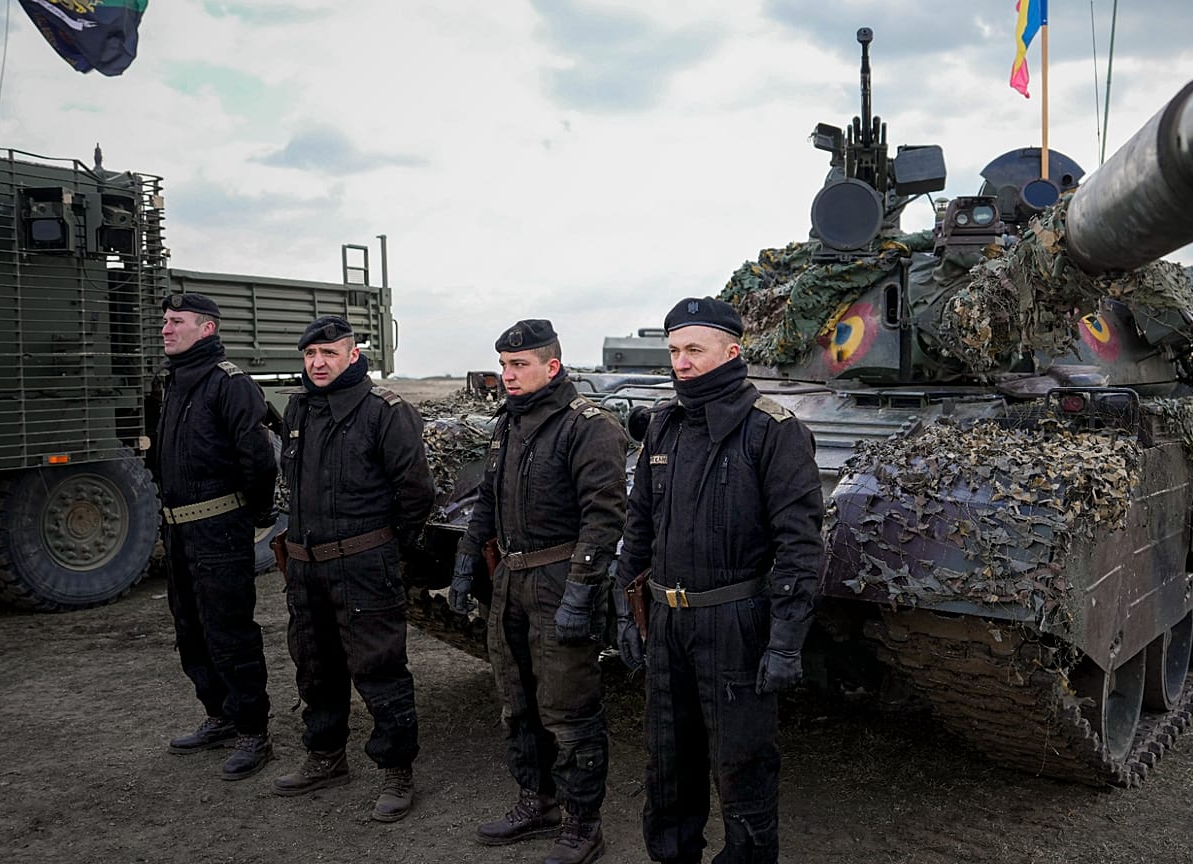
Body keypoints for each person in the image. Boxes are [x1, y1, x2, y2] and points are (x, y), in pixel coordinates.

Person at [615, 297, 823, 864]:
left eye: (694, 350)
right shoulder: (663, 425)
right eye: (675, 351)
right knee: (668, 760)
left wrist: (785, 642)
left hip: (735, 621)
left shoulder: (771, 432)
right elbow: (639, 524)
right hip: (667, 620)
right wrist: (624, 607)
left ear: (732, 351)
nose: (680, 362)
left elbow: (800, 547)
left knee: (742, 763)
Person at [452, 319, 628, 864]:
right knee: (517, 698)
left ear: (552, 366)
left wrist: (582, 591)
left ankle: (582, 824)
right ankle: (537, 800)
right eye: (504, 365)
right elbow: (488, 497)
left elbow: (605, 515)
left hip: (559, 578)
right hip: (511, 578)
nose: (508, 374)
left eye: (519, 364)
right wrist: (465, 560)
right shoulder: (510, 423)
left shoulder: (587, 426)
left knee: (568, 707)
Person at [271, 315, 435, 823]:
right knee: (315, 666)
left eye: (329, 354)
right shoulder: (298, 409)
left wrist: (385, 550)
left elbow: (416, 493)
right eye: (309, 356)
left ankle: (396, 771)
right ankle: (326, 756)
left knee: (379, 668)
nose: (317, 364)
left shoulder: (384, 412)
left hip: (364, 564)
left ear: (353, 356)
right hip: (306, 566)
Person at [155, 292, 279, 781]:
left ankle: (253, 732)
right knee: (190, 630)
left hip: (219, 527)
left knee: (230, 633)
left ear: (206, 329)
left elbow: (258, 459)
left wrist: (251, 515)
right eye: (164, 321)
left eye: (176, 321)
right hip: (180, 531)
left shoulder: (229, 384)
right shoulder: (177, 383)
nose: (165, 328)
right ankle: (220, 715)